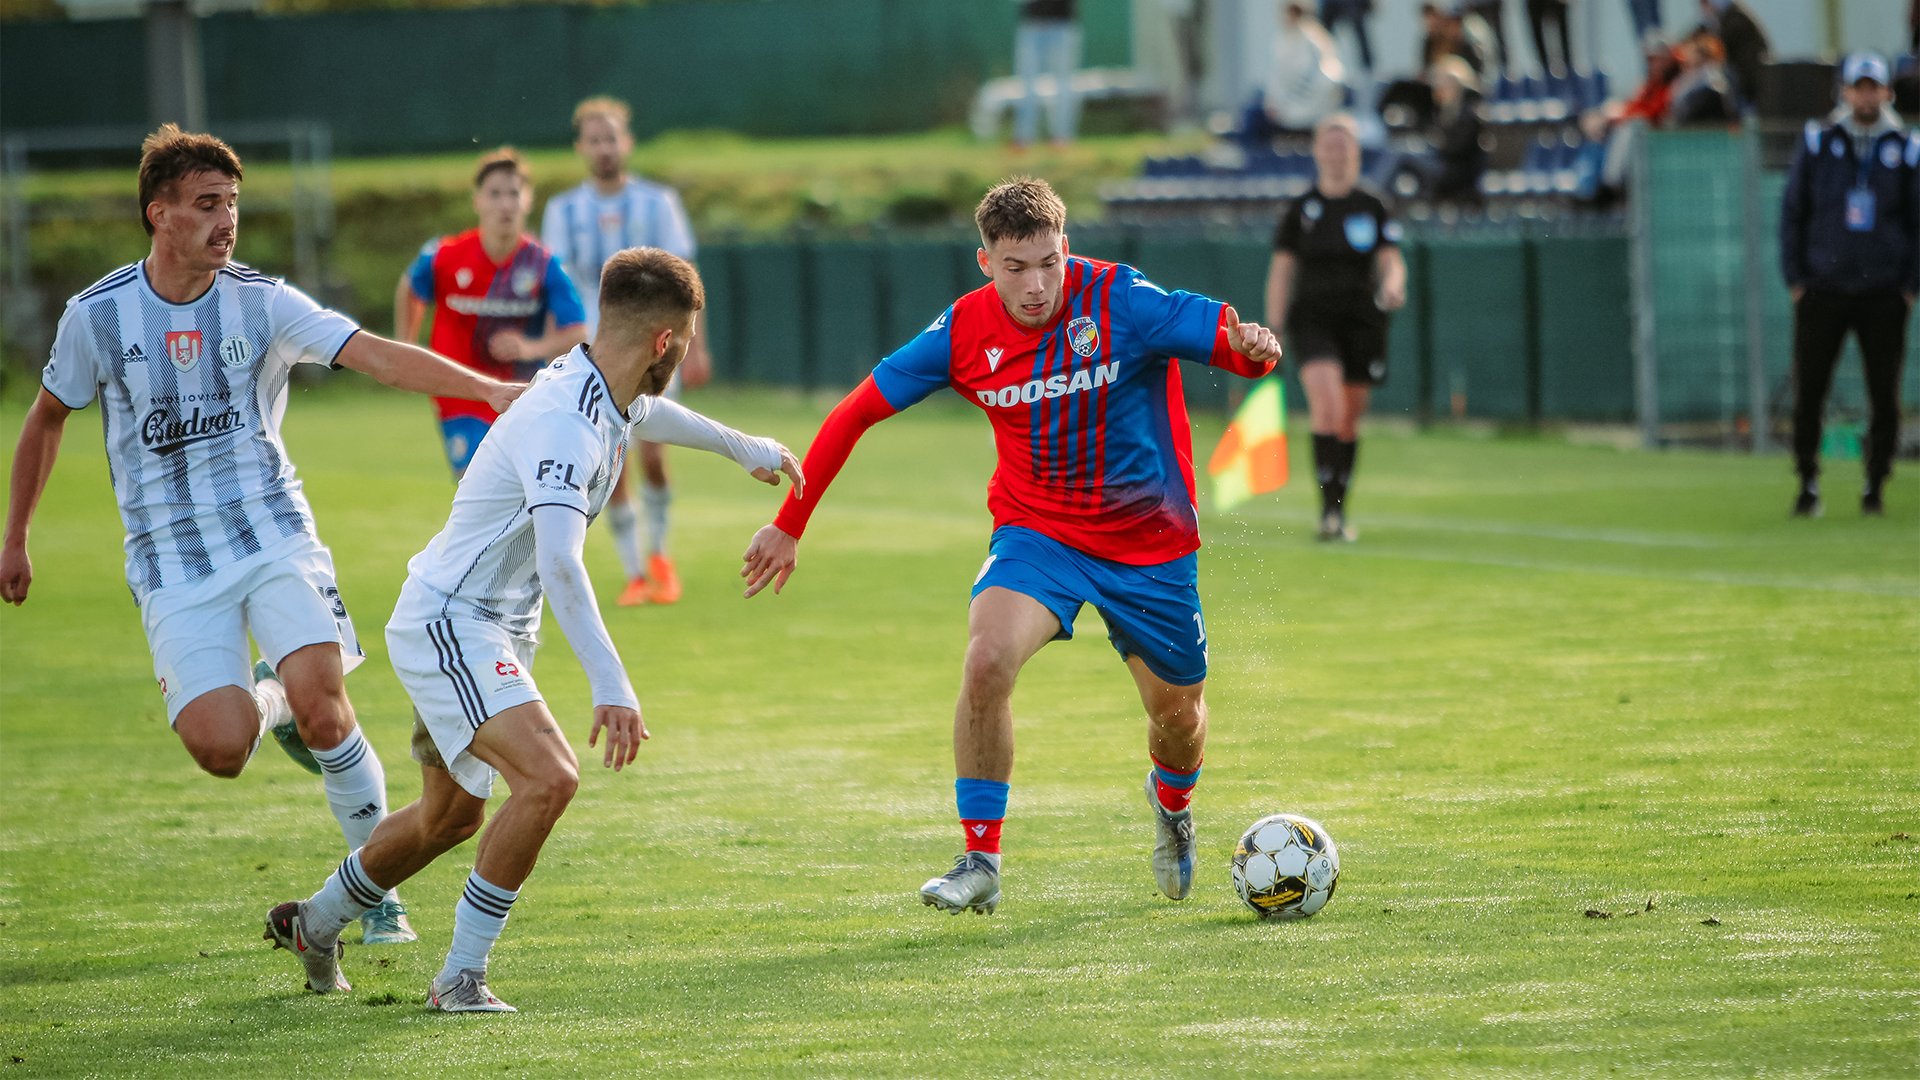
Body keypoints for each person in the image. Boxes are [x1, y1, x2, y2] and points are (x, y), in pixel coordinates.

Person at [1, 124, 525, 946]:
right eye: (207, 205)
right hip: (170, 558)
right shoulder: (96, 317)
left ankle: (374, 892)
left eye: (233, 204)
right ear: (159, 214)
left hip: (273, 533)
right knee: (221, 748)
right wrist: (16, 536)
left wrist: (488, 390)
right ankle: (269, 700)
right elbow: (45, 420)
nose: (226, 220)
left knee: (328, 705)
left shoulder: (263, 301)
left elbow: (378, 355)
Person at [264, 247, 803, 1009]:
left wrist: (741, 446)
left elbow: (648, 412)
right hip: (456, 623)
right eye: (682, 343)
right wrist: (612, 685)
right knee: (550, 777)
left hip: (477, 626)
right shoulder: (562, 424)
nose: (679, 360)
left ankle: (315, 923)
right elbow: (561, 564)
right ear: (664, 342)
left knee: (450, 818)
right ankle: (460, 978)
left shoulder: (595, 381)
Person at [740, 177, 1283, 914]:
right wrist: (789, 524)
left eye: (1050, 263)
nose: (1037, 285)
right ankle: (981, 859)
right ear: (984, 262)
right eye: (1017, 267)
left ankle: (1174, 806)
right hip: (1039, 533)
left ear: (1068, 250)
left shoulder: (1123, 300)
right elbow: (855, 412)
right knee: (987, 657)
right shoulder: (962, 332)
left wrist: (1254, 350)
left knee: (1178, 718)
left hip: (1149, 543)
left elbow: (1233, 347)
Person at [542, 97, 711, 608]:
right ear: (581, 148)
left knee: (654, 455)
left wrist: (696, 346)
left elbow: (686, 285)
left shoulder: (658, 203)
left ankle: (660, 554)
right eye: (594, 139)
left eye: (611, 137)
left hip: (657, 348)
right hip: (594, 354)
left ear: (627, 142)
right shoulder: (562, 210)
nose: (604, 148)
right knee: (608, 463)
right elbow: (556, 287)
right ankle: (635, 571)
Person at [1780, 53, 1918, 518]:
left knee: (1884, 394)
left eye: (1872, 87)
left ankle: (1875, 482)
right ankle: (1807, 481)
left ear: (1885, 92)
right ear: (1844, 92)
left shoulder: (1905, 146)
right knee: (1810, 390)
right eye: (1857, 87)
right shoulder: (1819, 141)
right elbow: (1794, 212)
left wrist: (1910, 285)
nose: (1865, 95)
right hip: (1824, 288)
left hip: (1883, 291)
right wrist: (1797, 277)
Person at [398, 147, 587, 479]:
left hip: (521, 397)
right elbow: (410, 288)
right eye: (495, 194)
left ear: (527, 200)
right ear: (478, 201)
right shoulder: (446, 256)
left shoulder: (543, 264)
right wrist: (406, 346)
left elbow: (577, 331)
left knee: (520, 489)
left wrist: (531, 348)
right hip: (459, 393)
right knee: (477, 482)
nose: (505, 204)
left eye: (514, 193)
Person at [1264, 114, 1408, 541]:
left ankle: (1340, 508)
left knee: (1348, 418)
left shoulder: (1372, 205)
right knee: (1325, 405)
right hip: (1312, 319)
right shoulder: (1301, 208)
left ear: (1356, 152)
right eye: (1329, 144)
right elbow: (1281, 270)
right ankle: (1327, 513)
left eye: (1344, 144)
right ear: (1317, 151)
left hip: (1363, 322)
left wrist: (1394, 287)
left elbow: (1390, 259)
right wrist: (1273, 327)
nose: (1336, 152)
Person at [1264, 2, 1348, 135]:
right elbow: (1277, 76)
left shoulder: (1316, 39)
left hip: (1314, 106)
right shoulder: (1282, 40)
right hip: (1286, 108)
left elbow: (1327, 73)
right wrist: (1274, 102)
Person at [1014, 0, 1081, 148]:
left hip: (1062, 22)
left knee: (1063, 84)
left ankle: (1062, 138)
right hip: (1033, 23)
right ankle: (1023, 138)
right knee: (1027, 84)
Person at [1697, 0, 1769, 113]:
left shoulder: (1734, 19)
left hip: (1753, 89)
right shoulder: (1731, 17)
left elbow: (1715, 47)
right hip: (1747, 88)